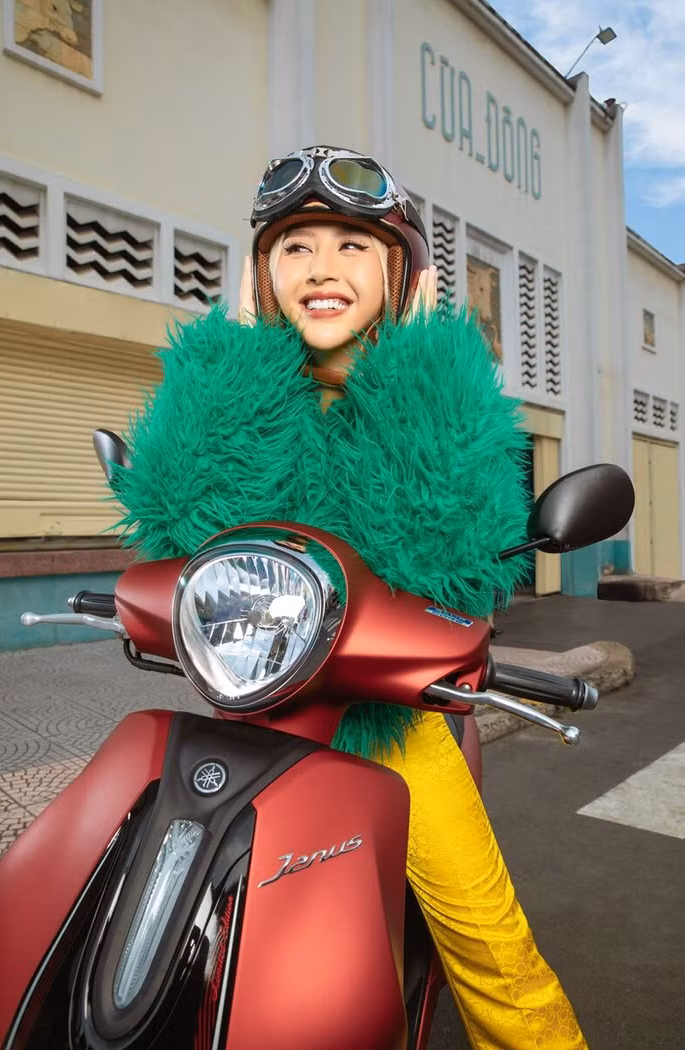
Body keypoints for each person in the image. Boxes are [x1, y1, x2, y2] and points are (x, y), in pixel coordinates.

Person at [114, 146, 588, 1049]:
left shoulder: (437, 399)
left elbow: (443, 553)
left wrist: (418, 372)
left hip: (396, 725)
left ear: (399, 273)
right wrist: (236, 365)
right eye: (294, 247)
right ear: (263, 274)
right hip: (257, 712)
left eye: (351, 246)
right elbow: (187, 528)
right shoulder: (250, 393)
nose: (321, 268)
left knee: (490, 946)